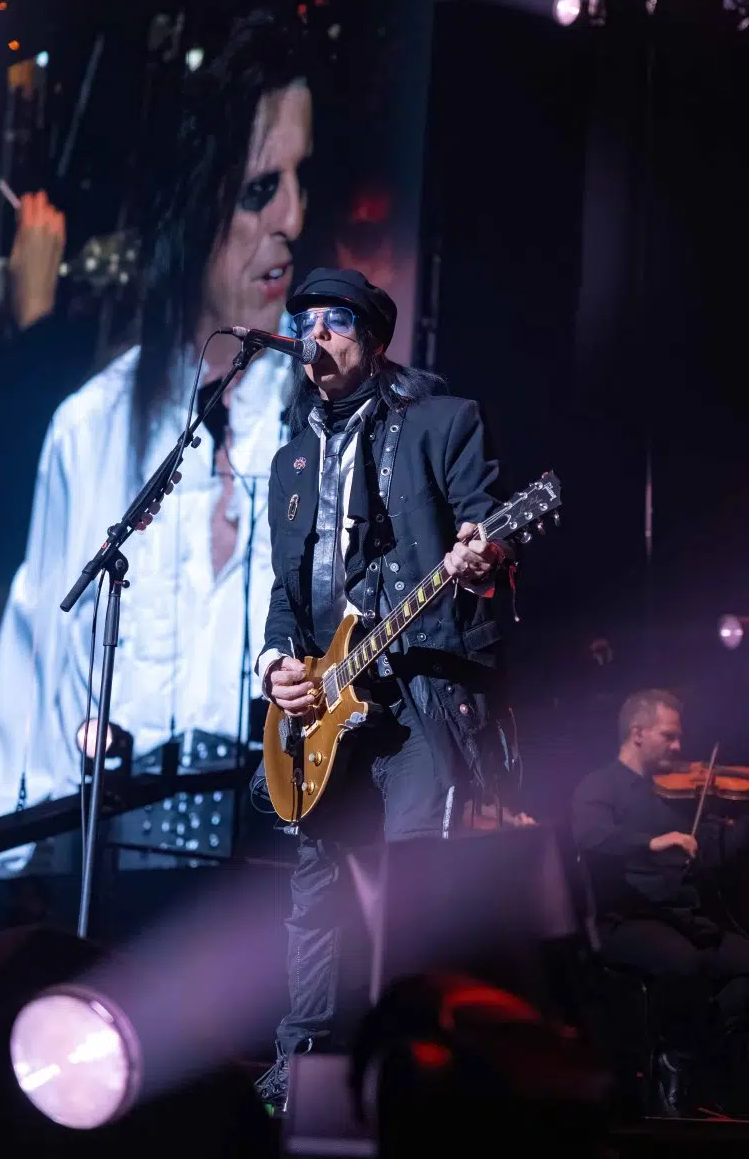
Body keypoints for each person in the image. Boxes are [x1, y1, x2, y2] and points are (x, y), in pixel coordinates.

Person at [0, 9, 312, 881]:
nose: (293, 218)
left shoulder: (338, 425)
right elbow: (28, 714)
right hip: (117, 912)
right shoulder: (91, 432)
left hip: (291, 905)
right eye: (259, 190)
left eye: (302, 180)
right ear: (187, 207)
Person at [253, 266, 530, 1112]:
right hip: (326, 705)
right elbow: (285, 596)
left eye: (335, 321)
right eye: (305, 321)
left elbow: (488, 530)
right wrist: (277, 666)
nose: (315, 335)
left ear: (373, 341)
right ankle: (298, 1065)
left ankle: (416, 1068)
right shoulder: (291, 459)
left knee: (412, 882)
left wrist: (484, 554)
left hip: (419, 691)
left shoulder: (442, 422)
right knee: (316, 894)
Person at [572, 689, 749, 1115]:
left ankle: (699, 1049)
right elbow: (591, 837)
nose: (678, 746)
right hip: (626, 918)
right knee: (685, 962)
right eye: (669, 736)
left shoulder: (676, 794)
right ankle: (676, 1056)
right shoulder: (600, 786)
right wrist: (651, 842)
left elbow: (714, 852)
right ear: (637, 733)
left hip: (684, 918)